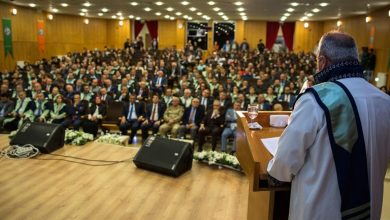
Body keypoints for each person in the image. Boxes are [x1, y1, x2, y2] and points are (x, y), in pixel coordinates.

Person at [267, 31, 390, 220]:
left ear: (322, 62)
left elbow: (285, 162)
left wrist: (274, 170)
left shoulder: (315, 99)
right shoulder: (385, 101)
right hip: (369, 209)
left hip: (320, 210)